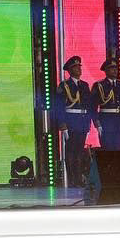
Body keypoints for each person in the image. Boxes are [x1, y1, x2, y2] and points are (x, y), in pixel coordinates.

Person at [54, 56, 92, 187]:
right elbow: (59, 107)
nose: (79, 69)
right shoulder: (64, 86)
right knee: (71, 151)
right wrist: (62, 124)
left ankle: (79, 178)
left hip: (82, 121)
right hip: (70, 121)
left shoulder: (84, 85)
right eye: (76, 67)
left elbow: (88, 105)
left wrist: (88, 122)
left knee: (80, 151)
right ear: (70, 70)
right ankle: (72, 180)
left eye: (79, 66)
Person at [91, 59, 120, 154]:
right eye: (112, 68)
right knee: (107, 149)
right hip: (106, 120)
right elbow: (92, 107)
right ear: (106, 71)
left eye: (116, 68)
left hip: (119, 120)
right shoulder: (99, 85)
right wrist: (97, 123)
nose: (115, 70)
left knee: (118, 148)